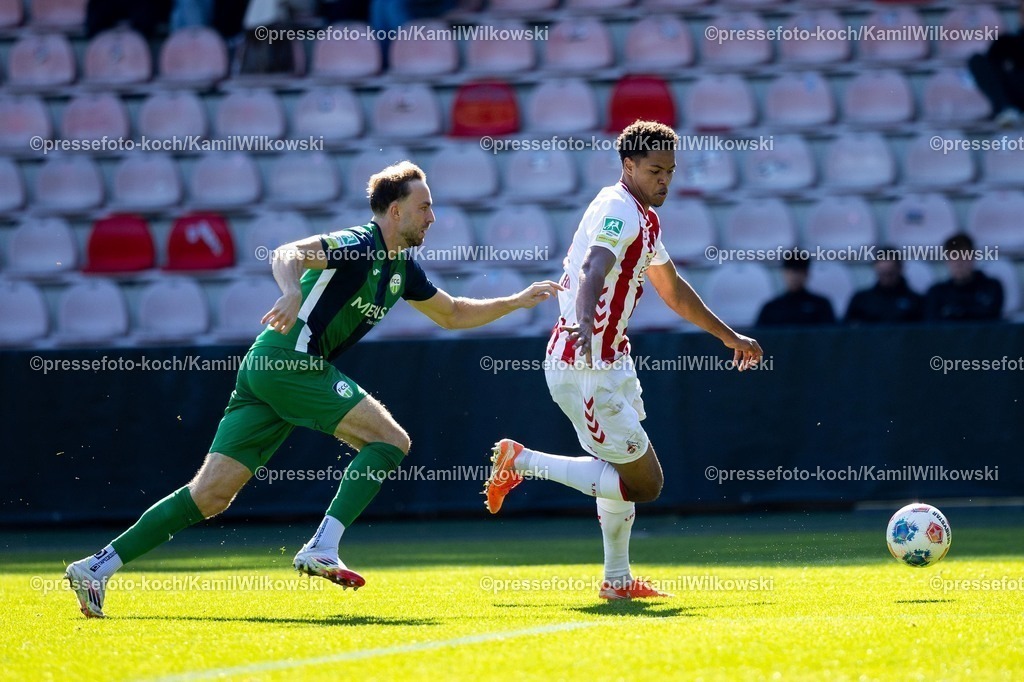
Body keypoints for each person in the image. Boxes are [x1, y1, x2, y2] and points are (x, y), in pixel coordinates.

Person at [64, 161, 562, 618]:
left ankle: (96, 567)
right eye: (424, 206)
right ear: (395, 210)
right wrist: (290, 288)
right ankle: (323, 546)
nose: (433, 216)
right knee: (391, 441)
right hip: (288, 362)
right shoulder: (361, 243)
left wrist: (517, 301)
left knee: (211, 495)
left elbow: (452, 313)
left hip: (271, 367)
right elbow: (289, 253)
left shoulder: (402, 268)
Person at [482, 121, 764, 600]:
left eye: (670, 171)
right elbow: (595, 265)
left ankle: (617, 582)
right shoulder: (618, 209)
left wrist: (728, 335)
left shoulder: (644, 216)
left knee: (616, 471)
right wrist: (589, 324)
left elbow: (672, 289)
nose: (665, 181)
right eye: (655, 170)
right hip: (585, 361)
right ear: (628, 165)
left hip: (609, 361)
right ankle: (522, 461)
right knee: (646, 483)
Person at [968, 1, 1024, 127]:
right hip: (1014, 95)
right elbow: (990, 71)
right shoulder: (1006, 42)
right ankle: (1005, 110)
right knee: (976, 60)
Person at [925, 233, 1003, 322]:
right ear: (947, 261)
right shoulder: (936, 293)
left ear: (973, 257)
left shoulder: (991, 287)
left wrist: (954, 312)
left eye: (963, 257)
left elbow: (991, 319)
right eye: (953, 257)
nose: (958, 263)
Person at [845, 247, 924, 324]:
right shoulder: (861, 300)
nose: (886, 278)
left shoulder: (915, 302)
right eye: (882, 273)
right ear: (875, 269)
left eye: (890, 273)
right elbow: (845, 331)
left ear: (900, 268)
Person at [755, 251, 835, 326]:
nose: (794, 277)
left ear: (807, 274)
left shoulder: (821, 305)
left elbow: (833, 336)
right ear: (783, 273)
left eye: (799, 272)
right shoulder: (771, 308)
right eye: (790, 272)